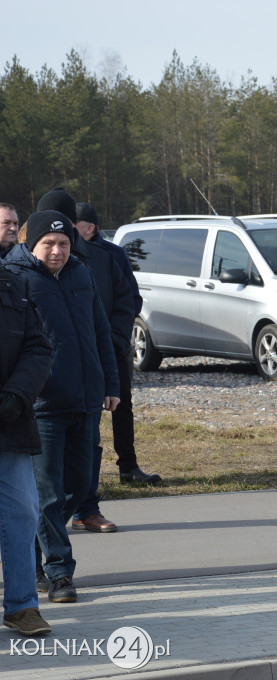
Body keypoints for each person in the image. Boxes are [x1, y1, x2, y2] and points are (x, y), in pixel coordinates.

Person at [3, 210, 120, 604]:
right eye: (48, 244)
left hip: (85, 400)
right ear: (29, 244)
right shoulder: (16, 278)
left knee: (80, 486)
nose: (57, 251)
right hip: (43, 405)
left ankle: (34, 559)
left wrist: (110, 384)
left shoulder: (81, 274)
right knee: (48, 495)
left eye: (64, 244)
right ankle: (58, 575)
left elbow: (100, 331)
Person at [36, 190, 132, 535]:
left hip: (94, 368)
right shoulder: (24, 270)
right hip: (46, 389)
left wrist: (112, 344)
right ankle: (44, 542)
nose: (58, 248)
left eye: (67, 233)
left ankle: (84, 509)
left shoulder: (102, 258)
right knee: (48, 472)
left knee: (86, 454)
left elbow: (126, 300)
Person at [75, 202, 161, 486]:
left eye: (74, 224)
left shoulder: (113, 254)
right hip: (80, 346)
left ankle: (129, 467)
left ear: (90, 227)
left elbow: (131, 300)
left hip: (114, 345)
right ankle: (83, 475)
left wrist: (115, 338)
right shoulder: (66, 256)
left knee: (121, 405)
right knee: (81, 410)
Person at [0, 260, 53, 636]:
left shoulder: (12, 283)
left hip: (9, 420)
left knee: (21, 512)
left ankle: (22, 606)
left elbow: (37, 348)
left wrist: (16, 396)